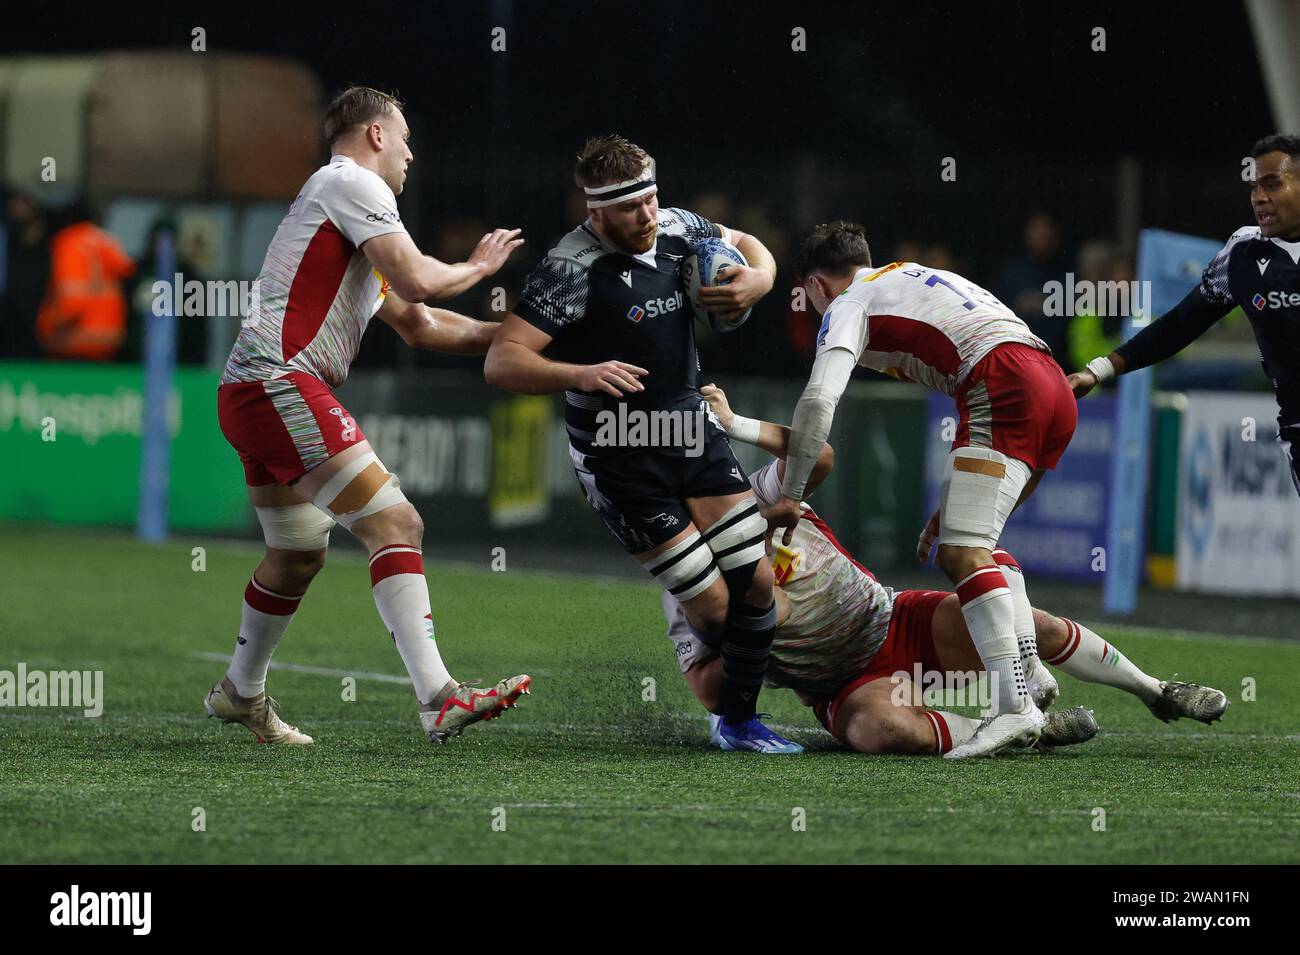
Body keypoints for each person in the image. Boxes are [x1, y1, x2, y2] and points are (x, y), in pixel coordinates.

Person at [207, 86, 529, 745]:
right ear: (376, 135)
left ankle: (240, 691)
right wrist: (478, 264)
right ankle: (439, 697)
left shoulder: (348, 213)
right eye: (405, 139)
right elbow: (419, 281)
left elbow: (420, 322)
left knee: (295, 555)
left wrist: (518, 334)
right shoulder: (351, 181)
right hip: (279, 382)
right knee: (395, 521)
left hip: (254, 390)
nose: (412, 155)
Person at [669, 384, 1228, 755]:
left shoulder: (754, 494)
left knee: (1025, 622)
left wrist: (736, 423)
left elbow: (819, 455)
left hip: (895, 621)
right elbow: (712, 691)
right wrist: (746, 623)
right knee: (878, 731)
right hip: (842, 684)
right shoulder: (686, 583)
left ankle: (1157, 690)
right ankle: (1020, 730)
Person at [484, 134, 795, 752]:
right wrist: (579, 373)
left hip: (687, 426)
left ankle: (737, 721)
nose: (649, 215)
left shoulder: (679, 226)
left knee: (757, 582)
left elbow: (752, 245)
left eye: (653, 199)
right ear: (595, 213)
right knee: (709, 608)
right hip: (615, 451)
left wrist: (758, 281)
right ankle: (723, 679)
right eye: (632, 208)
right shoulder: (569, 267)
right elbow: (501, 361)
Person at [768, 221, 1078, 759]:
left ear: (816, 286)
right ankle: (1037, 678)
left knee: (961, 553)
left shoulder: (847, 304)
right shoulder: (908, 275)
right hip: (1049, 379)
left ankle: (1014, 704)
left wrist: (792, 491)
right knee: (975, 544)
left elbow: (819, 401)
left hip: (999, 381)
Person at [1072, 134, 1300, 496]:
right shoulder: (1242, 253)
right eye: (1254, 186)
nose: (1259, 196)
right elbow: (1180, 324)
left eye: (1272, 184)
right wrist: (1098, 370)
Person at [36, 200, 135, 360]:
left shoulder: (69, 242)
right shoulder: (107, 241)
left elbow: (73, 300)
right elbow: (128, 275)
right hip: (111, 337)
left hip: (76, 338)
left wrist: (47, 327)